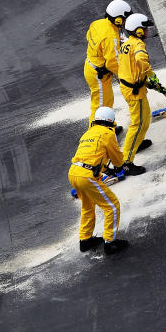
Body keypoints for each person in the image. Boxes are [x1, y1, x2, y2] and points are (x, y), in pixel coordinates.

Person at [68, 106, 129, 256]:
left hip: (74, 172)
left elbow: (92, 155)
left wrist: (105, 170)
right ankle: (110, 243)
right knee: (112, 206)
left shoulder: (88, 133)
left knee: (88, 206)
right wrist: (119, 167)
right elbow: (116, 158)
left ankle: (85, 240)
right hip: (87, 176)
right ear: (111, 121)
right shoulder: (108, 134)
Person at [117, 13, 166, 175]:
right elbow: (140, 60)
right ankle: (126, 162)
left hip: (132, 86)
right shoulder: (138, 45)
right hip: (133, 91)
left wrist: (149, 83)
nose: (146, 32)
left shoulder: (127, 43)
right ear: (137, 31)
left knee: (145, 119)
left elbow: (132, 68)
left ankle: (136, 144)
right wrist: (151, 76)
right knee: (137, 125)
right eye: (144, 29)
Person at [83, 0, 131, 126]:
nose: (126, 22)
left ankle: (110, 128)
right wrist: (125, 74)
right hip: (99, 74)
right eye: (125, 19)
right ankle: (96, 136)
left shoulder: (98, 23)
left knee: (107, 102)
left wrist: (115, 43)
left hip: (92, 67)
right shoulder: (110, 37)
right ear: (118, 19)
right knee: (99, 108)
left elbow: (90, 36)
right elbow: (112, 63)